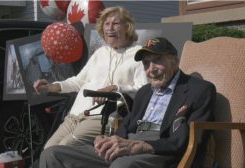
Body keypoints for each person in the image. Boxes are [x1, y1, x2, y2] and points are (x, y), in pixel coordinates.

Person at [39, 37, 217, 168]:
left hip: (160, 151)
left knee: (121, 166)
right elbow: (126, 125)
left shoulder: (199, 90)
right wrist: (107, 140)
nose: (151, 69)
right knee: (52, 154)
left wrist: (139, 146)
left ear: (175, 61)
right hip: (128, 146)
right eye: (146, 64)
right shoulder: (144, 92)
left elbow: (188, 140)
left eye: (157, 61)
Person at [33, 6, 148, 149]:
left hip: (102, 118)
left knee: (65, 147)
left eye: (115, 23)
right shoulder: (100, 53)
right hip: (74, 116)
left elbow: (144, 90)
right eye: (106, 24)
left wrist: (116, 88)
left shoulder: (138, 54)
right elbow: (78, 81)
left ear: (127, 27)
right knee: (48, 149)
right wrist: (51, 86)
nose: (110, 28)